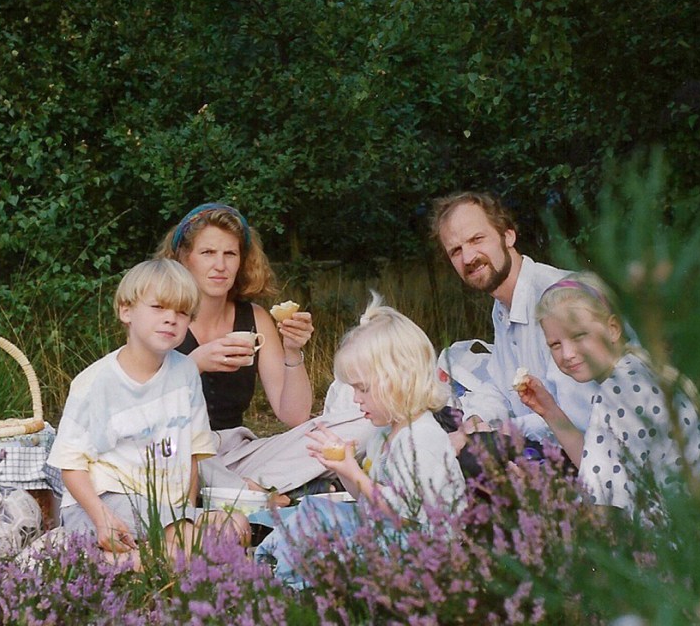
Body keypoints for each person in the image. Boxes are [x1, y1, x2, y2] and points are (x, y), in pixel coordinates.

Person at [155, 203, 374, 495]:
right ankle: (270, 489)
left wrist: (292, 350)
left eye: (230, 254)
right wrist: (194, 364)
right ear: (183, 258)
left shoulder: (255, 318)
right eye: (207, 253)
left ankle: (248, 489)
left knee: (362, 423)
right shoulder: (161, 317)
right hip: (177, 450)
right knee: (173, 454)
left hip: (238, 454)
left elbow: (294, 416)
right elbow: (140, 409)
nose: (220, 265)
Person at [47, 258, 250, 567]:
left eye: (182, 312)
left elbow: (192, 453)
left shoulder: (185, 373)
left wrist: (186, 512)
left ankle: (131, 561)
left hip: (166, 510)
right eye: (158, 307)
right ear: (126, 311)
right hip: (104, 505)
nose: (171, 319)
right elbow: (71, 466)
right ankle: (130, 559)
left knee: (237, 527)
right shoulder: (94, 383)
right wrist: (102, 519)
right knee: (193, 547)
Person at [255, 293, 467, 584]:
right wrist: (345, 469)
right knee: (315, 509)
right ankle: (276, 555)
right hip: (390, 535)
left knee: (329, 528)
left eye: (362, 389)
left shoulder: (422, 439)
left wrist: (355, 472)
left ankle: (297, 575)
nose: (355, 399)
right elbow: (367, 500)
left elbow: (406, 511)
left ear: (401, 381)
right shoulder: (384, 434)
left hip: (424, 554)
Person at [518, 272, 700, 515]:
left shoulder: (619, 394)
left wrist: (536, 496)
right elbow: (602, 471)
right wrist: (550, 412)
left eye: (579, 335)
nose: (567, 353)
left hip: (667, 535)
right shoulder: (635, 369)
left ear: (612, 329)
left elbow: (604, 515)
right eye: (555, 344)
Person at [430, 191, 598, 444]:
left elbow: (579, 415)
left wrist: (499, 431)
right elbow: (501, 386)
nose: (468, 257)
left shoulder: (562, 297)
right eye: (455, 250)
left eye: (476, 239)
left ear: (508, 235)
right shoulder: (502, 308)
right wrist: (474, 420)